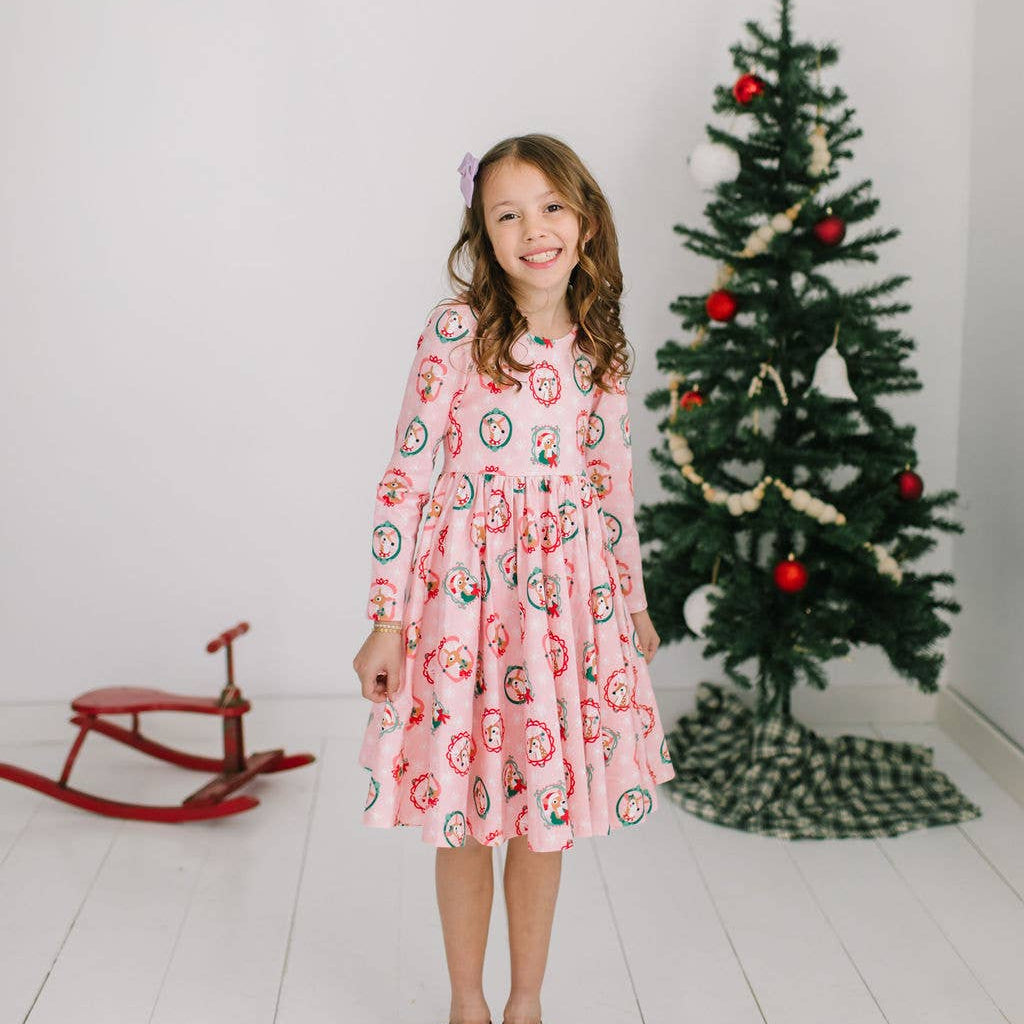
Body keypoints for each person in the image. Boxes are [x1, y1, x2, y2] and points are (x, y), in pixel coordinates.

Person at [351, 133, 677, 1024]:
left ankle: (526, 1002)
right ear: (483, 235)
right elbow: (407, 474)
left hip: (561, 609)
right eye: (507, 214)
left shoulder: (601, 344)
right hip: (462, 605)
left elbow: (612, 479)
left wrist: (634, 601)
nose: (534, 230)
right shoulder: (458, 330)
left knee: (542, 811)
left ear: (584, 218)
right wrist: (387, 617)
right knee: (463, 814)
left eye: (551, 208)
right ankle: (467, 1002)